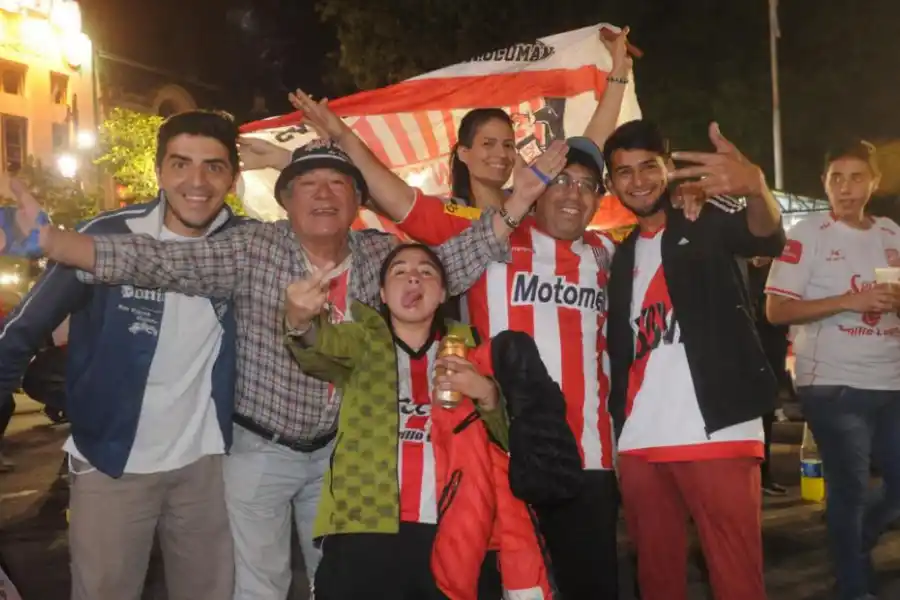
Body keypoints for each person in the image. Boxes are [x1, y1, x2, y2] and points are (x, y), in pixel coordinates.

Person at [38, 137, 512, 599]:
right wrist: (54, 242)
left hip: (338, 455)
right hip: (260, 449)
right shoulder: (253, 247)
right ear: (285, 200)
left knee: (334, 578)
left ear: (357, 201)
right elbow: (159, 260)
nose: (323, 195)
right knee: (259, 585)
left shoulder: (377, 255)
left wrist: (521, 200)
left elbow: (449, 260)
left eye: (337, 183)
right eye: (307, 184)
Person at [283, 87, 621, 598]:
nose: (571, 192)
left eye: (584, 186)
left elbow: (582, 158)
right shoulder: (481, 236)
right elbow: (388, 189)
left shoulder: (603, 251)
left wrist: (617, 80)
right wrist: (339, 133)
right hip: (502, 454)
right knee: (511, 581)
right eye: (559, 181)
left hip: (589, 456)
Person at [0, 110, 243, 600]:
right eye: (180, 164)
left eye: (214, 167)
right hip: (111, 462)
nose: (197, 181)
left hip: (208, 467)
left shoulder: (246, 245)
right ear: (158, 172)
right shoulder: (106, 235)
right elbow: (22, 331)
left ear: (233, 177)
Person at [284, 243, 553, 599]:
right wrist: (300, 320)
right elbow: (319, 346)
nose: (414, 276)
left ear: (442, 294)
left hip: (457, 532)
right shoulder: (361, 343)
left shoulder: (474, 351)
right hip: (364, 528)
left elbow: (509, 446)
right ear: (382, 293)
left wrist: (487, 394)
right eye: (399, 271)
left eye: (427, 271)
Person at [603, 119, 785, 600]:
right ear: (611, 183)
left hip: (718, 428)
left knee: (737, 578)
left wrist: (757, 188)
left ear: (669, 170)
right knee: (657, 581)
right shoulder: (618, 258)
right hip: (641, 440)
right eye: (624, 172)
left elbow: (765, 237)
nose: (637, 181)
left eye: (648, 167)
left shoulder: (704, 218)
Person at [765, 140, 900, 600]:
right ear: (824, 183)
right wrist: (849, 300)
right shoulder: (809, 232)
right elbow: (776, 310)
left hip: (891, 379)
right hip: (833, 383)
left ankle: (854, 545)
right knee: (850, 488)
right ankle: (854, 586)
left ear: (874, 183)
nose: (845, 188)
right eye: (836, 178)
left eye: (856, 177)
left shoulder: (890, 234)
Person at [747, 256, 790, 496]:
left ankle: (764, 473)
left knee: (766, 414)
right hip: (741, 349)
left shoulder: (780, 268)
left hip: (770, 348)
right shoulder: (736, 264)